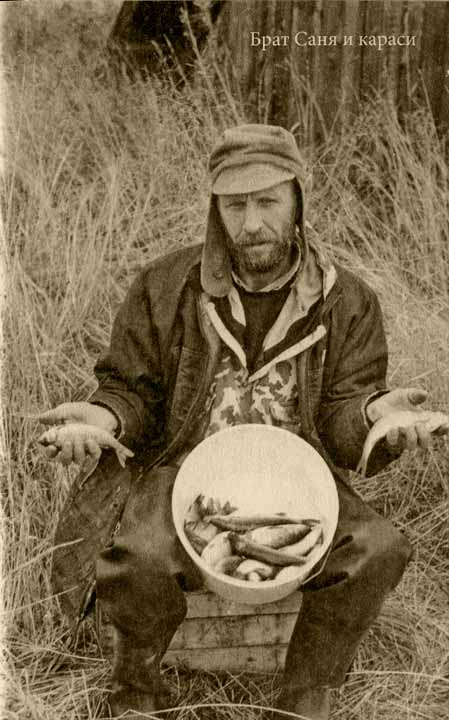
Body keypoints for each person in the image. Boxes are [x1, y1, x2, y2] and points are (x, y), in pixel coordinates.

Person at [37, 124, 448, 720]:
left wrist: (375, 417)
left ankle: (306, 696)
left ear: (298, 199)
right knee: (138, 557)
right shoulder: (164, 286)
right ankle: (137, 694)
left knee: (377, 548)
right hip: (185, 473)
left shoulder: (348, 300)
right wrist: (102, 417)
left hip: (297, 478)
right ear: (216, 208)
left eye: (267, 201)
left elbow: (343, 417)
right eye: (235, 205)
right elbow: (132, 392)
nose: (252, 223)